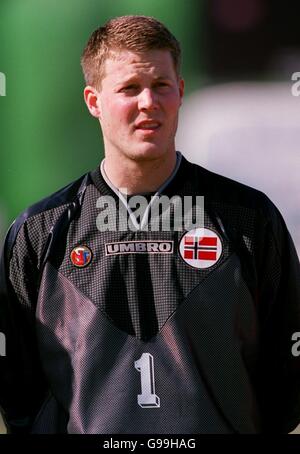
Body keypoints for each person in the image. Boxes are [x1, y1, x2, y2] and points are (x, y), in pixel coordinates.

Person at [0, 15, 300, 435]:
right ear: (93, 101)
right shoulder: (40, 231)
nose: (148, 102)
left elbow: (285, 387)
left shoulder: (248, 220)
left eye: (161, 85)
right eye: (129, 89)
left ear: (180, 92)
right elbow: (17, 393)